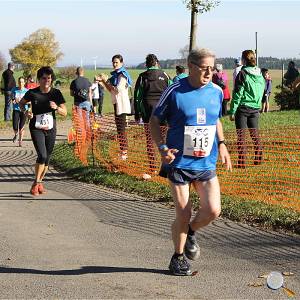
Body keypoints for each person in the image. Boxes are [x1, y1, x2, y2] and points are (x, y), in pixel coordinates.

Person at [150, 48, 232, 276]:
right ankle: (177, 259)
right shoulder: (175, 91)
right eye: (204, 68)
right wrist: (162, 148)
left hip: (206, 163)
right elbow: (154, 121)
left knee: (213, 210)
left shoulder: (216, 91)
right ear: (191, 66)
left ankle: (191, 232)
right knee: (183, 214)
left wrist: (223, 143)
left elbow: (216, 120)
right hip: (179, 163)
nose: (209, 72)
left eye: (212, 68)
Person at [19, 66, 67, 196]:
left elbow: (65, 112)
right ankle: (36, 183)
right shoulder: (32, 93)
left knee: (47, 159)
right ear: (39, 79)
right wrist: (26, 112)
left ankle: (39, 183)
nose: (47, 80)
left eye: (49, 78)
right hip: (36, 128)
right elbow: (21, 103)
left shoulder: (56, 93)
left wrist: (56, 108)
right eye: (44, 78)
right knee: (42, 155)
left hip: (51, 129)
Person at [134, 54, 171, 178]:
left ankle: (152, 168)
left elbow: (138, 97)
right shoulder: (165, 75)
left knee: (150, 141)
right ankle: (166, 167)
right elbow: (172, 92)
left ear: (146, 64)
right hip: (164, 112)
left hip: (148, 112)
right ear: (157, 63)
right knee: (165, 140)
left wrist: (138, 113)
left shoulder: (142, 76)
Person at [228, 50, 265, 167]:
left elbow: (238, 93)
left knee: (241, 136)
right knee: (255, 135)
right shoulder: (260, 73)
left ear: (243, 60)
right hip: (255, 108)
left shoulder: (243, 74)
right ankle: (258, 159)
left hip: (243, 108)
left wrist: (232, 110)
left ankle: (241, 162)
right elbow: (262, 90)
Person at [98, 54, 132, 160]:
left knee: (121, 129)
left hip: (121, 104)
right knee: (119, 129)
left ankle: (124, 152)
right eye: (113, 62)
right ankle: (122, 150)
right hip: (116, 103)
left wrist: (106, 81)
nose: (114, 64)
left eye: (116, 62)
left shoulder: (122, 75)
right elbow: (110, 90)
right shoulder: (116, 75)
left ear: (121, 63)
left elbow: (117, 89)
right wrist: (104, 81)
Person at [11, 77, 28, 147]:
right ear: (18, 83)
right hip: (16, 110)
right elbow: (12, 99)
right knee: (15, 126)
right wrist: (14, 101)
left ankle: (20, 141)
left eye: (22, 82)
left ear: (24, 83)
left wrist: (23, 102)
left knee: (21, 127)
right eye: (19, 82)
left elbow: (30, 101)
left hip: (24, 110)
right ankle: (16, 134)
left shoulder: (27, 91)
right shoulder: (14, 90)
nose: (21, 83)